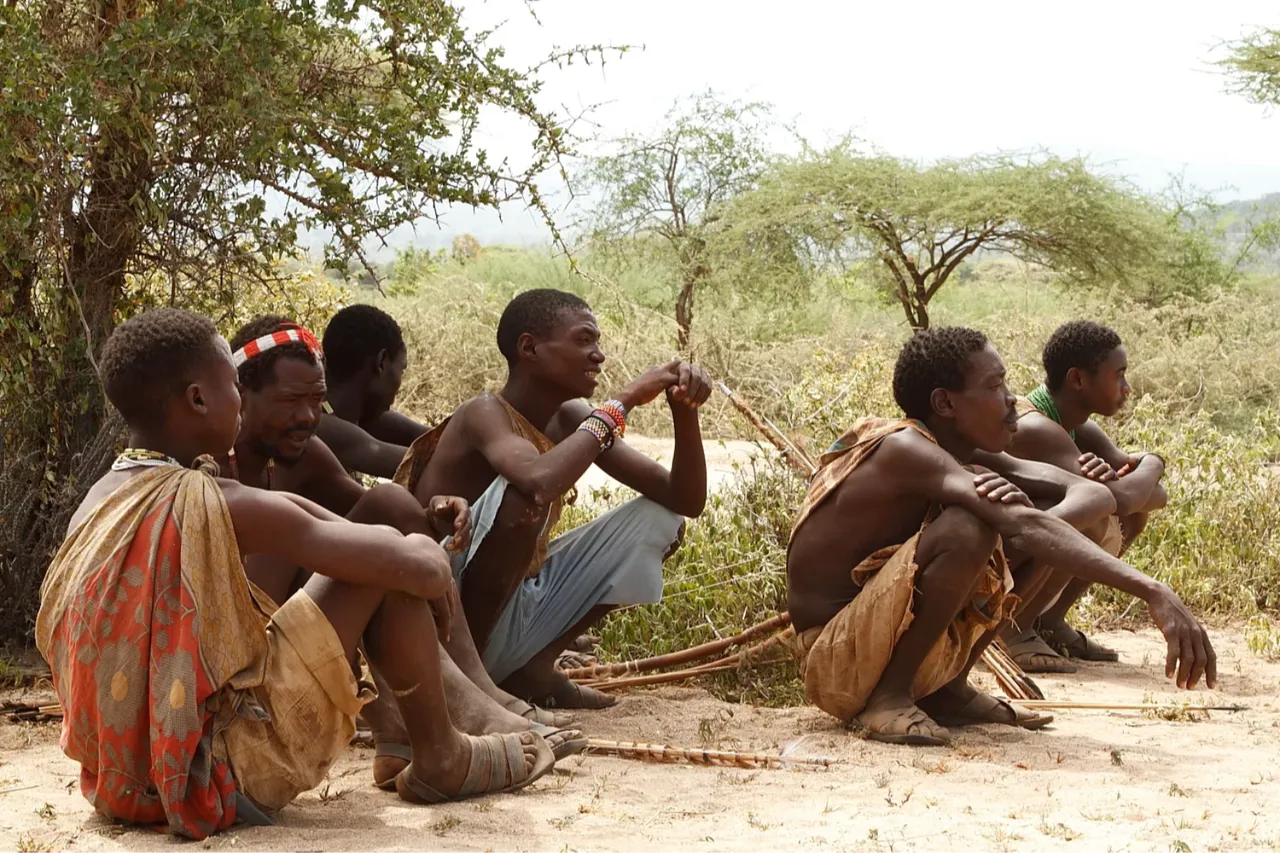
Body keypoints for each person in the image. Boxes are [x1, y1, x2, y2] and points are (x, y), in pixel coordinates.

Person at [35, 309, 554, 839]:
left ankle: (424, 733)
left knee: (383, 548)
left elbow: (301, 512)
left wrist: (398, 549)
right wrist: (421, 557)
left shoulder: (100, 501)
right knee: (390, 563)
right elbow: (416, 569)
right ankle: (442, 754)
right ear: (197, 399)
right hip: (221, 775)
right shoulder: (215, 501)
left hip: (122, 784)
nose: (239, 400)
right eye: (232, 386)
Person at [785, 326, 1215, 746]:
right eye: (995, 385)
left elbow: (1095, 493)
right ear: (945, 403)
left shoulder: (968, 452)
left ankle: (948, 692)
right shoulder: (905, 449)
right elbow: (1036, 522)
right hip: (838, 658)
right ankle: (888, 698)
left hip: (873, 641)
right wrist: (1152, 590)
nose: (1011, 399)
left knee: (1019, 528)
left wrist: (1021, 524)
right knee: (970, 529)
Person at [223, 315, 583, 785]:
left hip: (307, 631)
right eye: (291, 401)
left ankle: (449, 708)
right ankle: (465, 715)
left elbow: (372, 513)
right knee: (385, 556)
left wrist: (429, 514)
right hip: (249, 655)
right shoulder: (210, 472)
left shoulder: (303, 453)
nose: (308, 417)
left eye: (316, 401)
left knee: (391, 504)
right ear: (239, 395)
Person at [395, 288, 712, 709]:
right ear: (529, 348)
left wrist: (684, 410)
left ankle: (531, 669)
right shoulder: (483, 413)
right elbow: (539, 481)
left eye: (597, 342)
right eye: (583, 340)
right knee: (523, 501)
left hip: (511, 606)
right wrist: (626, 400)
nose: (598, 355)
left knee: (659, 519)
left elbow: (684, 498)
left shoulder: (572, 418)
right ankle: (472, 689)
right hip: (441, 627)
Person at [1001, 320, 1169, 672]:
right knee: (1086, 516)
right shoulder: (1035, 428)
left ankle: (1051, 621)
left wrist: (1135, 477)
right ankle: (1013, 628)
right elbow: (1122, 496)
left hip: (1021, 546)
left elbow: (1152, 496)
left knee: (1128, 515)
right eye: (1118, 375)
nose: (1127, 387)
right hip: (996, 551)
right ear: (1077, 380)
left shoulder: (1079, 426)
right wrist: (1154, 460)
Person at [315, 303, 427, 480]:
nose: (400, 382)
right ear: (381, 362)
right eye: (401, 369)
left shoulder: (356, 415)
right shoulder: (319, 425)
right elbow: (423, 466)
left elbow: (431, 437)